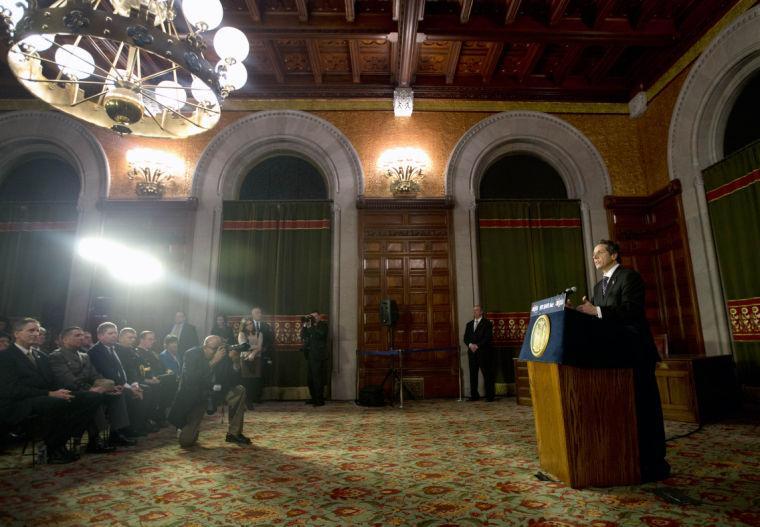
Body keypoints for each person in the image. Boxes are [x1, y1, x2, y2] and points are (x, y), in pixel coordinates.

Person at [575, 239, 669, 482]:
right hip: (612, 356)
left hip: (635, 353)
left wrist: (596, 311)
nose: (595, 256)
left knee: (644, 407)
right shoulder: (597, 287)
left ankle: (654, 462)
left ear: (614, 255)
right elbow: (600, 321)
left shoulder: (629, 278)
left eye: (600, 252)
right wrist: (582, 313)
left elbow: (631, 310)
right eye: (593, 253)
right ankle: (626, 457)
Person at [0, 318, 102, 463]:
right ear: (17, 333)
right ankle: (54, 448)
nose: (36, 334)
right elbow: (11, 389)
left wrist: (60, 391)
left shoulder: (41, 356)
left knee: (91, 397)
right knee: (56, 403)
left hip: (44, 398)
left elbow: (51, 382)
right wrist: (49, 393)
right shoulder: (5, 356)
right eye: (31, 330)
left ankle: (57, 442)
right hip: (17, 404)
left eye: (37, 330)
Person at [48, 326, 133, 449]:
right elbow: (68, 380)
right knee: (94, 397)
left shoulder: (84, 355)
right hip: (69, 392)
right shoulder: (56, 356)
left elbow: (95, 376)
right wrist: (89, 389)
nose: (81, 338)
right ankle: (94, 439)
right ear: (64, 339)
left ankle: (116, 434)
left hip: (89, 390)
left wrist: (109, 387)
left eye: (82, 335)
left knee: (116, 395)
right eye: (77, 335)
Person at [168, 335, 250, 448]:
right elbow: (191, 379)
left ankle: (234, 433)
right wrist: (213, 361)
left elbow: (232, 380)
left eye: (219, 348)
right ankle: (185, 427)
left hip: (216, 392)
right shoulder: (191, 354)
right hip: (197, 396)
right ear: (204, 346)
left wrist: (235, 363)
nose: (218, 352)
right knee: (186, 442)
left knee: (239, 390)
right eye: (214, 349)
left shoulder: (223, 354)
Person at [88, 322, 146, 439]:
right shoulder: (95, 351)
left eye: (115, 332)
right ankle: (118, 433)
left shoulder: (112, 348)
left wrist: (131, 385)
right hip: (106, 385)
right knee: (126, 394)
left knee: (140, 391)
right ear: (100, 336)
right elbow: (108, 372)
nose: (114, 335)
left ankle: (131, 428)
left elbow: (122, 370)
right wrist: (127, 387)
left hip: (118, 384)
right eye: (110, 333)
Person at [463, 305, 495, 402]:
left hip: (483, 353)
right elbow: (465, 338)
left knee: (487, 374)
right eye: (474, 311)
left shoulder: (487, 323)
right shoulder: (469, 324)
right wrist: (470, 345)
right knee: (473, 374)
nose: (475, 312)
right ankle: (474, 395)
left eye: (477, 310)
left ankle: (490, 396)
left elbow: (487, 338)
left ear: (481, 312)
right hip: (472, 353)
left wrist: (477, 346)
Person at [300, 311, 328, 407]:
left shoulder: (323, 325)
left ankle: (320, 400)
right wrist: (304, 325)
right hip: (310, 355)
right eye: (312, 316)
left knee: (317, 378)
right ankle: (313, 398)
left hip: (318, 355)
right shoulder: (309, 326)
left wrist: (311, 327)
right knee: (310, 379)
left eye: (315, 316)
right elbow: (302, 336)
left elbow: (319, 335)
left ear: (319, 316)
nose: (314, 318)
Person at [237, 318, 262, 409]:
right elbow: (244, 346)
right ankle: (246, 401)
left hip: (256, 358)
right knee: (246, 381)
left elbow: (260, 347)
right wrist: (254, 349)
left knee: (254, 381)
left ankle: (251, 399)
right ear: (244, 326)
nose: (250, 326)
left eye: (251, 323)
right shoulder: (241, 334)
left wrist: (253, 353)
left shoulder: (259, 333)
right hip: (245, 358)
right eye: (247, 324)